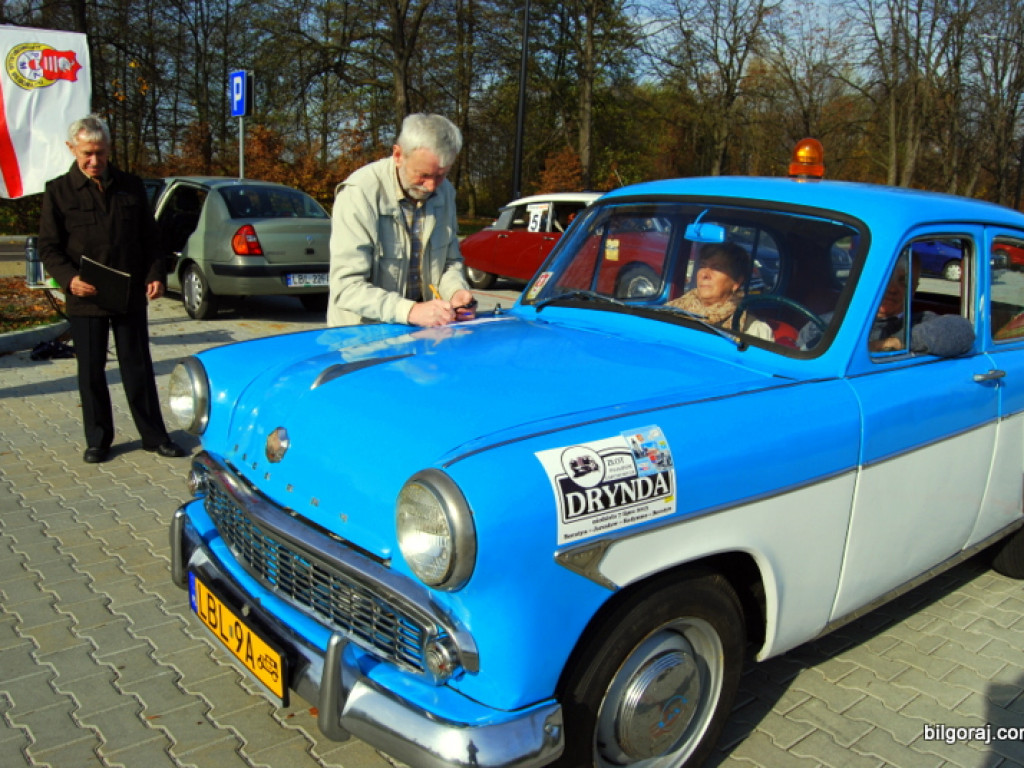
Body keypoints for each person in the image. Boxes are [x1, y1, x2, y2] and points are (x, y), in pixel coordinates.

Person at [38, 115, 186, 464]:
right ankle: (99, 440)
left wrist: (155, 274)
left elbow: (150, 239)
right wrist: (69, 279)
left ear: (109, 150)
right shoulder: (58, 191)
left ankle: (154, 436)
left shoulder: (130, 186)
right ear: (72, 149)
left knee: (138, 367)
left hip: (128, 292)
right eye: (87, 153)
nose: (94, 161)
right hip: (85, 296)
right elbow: (48, 247)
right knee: (90, 372)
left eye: (101, 153)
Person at [327, 113, 476, 327]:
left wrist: (456, 292)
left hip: (423, 332)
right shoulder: (359, 193)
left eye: (441, 175)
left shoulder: (446, 192)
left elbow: (450, 263)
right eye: (423, 174)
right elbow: (346, 287)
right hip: (362, 334)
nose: (431, 186)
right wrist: (410, 311)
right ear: (398, 155)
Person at [797, 251, 974, 355]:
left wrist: (897, 342)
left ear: (914, 289)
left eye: (904, 281)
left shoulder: (920, 322)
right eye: (886, 279)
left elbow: (963, 330)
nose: (892, 289)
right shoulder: (830, 322)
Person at [666, 242, 773, 340]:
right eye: (703, 266)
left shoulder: (754, 330)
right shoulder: (670, 310)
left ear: (736, 282)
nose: (705, 274)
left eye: (716, 268)